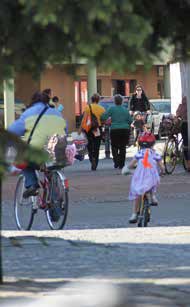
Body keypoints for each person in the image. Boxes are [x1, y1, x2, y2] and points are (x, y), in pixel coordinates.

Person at [8, 91, 66, 198]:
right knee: (51, 169)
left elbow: (12, 131)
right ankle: (56, 204)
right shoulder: (57, 112)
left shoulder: (29, 113)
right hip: (58, 153)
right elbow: (65, 129)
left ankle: (32, 185)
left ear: (33, 101)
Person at [122, 132, 164, 223]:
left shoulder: (140, 153)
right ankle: (153, 196)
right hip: (152, 178)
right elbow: (161, 166)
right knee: (155, 180)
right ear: (153, 143)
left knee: (137, 194)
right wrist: (162, 172)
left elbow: (131, 164)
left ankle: (134, 214)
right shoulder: (155, 154)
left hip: (140, 178)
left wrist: (126, 169)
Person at [101, 94, 132, 169]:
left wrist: (107, 121)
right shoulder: (125, 110)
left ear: (114, 101)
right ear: (121, 102)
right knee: (123, 147)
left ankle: (116, 161)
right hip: (125, 130)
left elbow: (103, 117)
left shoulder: (112, 109)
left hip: (115, 129)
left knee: (114, 146)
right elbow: (130, 121)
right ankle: (122, 164)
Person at [79, 93, 105, 171]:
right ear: (98, 100)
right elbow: (104, 119)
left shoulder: (87, 107)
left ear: (91, 100)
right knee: (97, 146)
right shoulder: (102, 109)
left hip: (89, 129)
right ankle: (95, 162)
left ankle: (91, 159)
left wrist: (80, 129)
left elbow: (84, 119)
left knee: (90, 145)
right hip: (97, 129)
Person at [176, 96, 190, 171]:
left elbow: (178, 114)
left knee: (186, 144)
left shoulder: (180, 106)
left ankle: (188, 163)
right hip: (185, 125)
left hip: (183, 125)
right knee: (186, 145)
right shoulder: (183, 107)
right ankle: (188, 164)